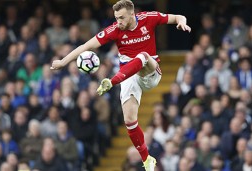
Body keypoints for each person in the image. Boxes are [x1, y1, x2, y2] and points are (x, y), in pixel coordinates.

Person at [50, 0, 191, 170]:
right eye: (116, 18)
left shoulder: (148, 18)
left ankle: (111, 81)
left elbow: (177, 17)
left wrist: (182, 21)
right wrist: (63, 62)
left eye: (122, 18)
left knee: (143, 56)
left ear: (132, 14)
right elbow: (87, 45)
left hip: (150, 72)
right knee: (129, 121)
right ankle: (147, 160)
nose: (119, 22)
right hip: (129, 76)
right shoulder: (115, 30)